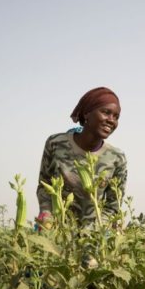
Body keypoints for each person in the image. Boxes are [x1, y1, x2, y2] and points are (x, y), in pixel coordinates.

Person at [36, 87, 127, 228]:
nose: (111, 120)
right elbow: (44, 186)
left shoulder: (116, 158)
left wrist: (93, 233)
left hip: (94, 237)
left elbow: (113, 206)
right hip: (57, 230)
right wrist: (47, 215)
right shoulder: (56, 144)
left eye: (116, 117)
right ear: (87, 113)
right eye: (106, 112)